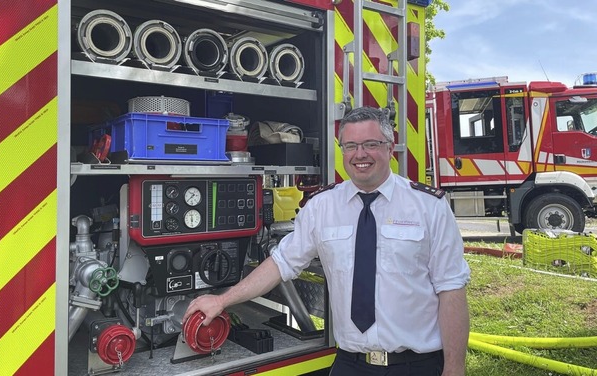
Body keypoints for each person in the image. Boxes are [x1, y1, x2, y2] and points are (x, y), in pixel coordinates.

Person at [183, 106, 471, 376]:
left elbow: (451, 290)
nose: (361, 154)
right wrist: (222, 300)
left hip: (417, 364)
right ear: (342, 150)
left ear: (389, 146)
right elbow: (281, 264)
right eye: (351, 146)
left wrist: (454, 368)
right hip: (351, 363)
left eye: (371, 144)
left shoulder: (429, 206)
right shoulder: (322, 206)